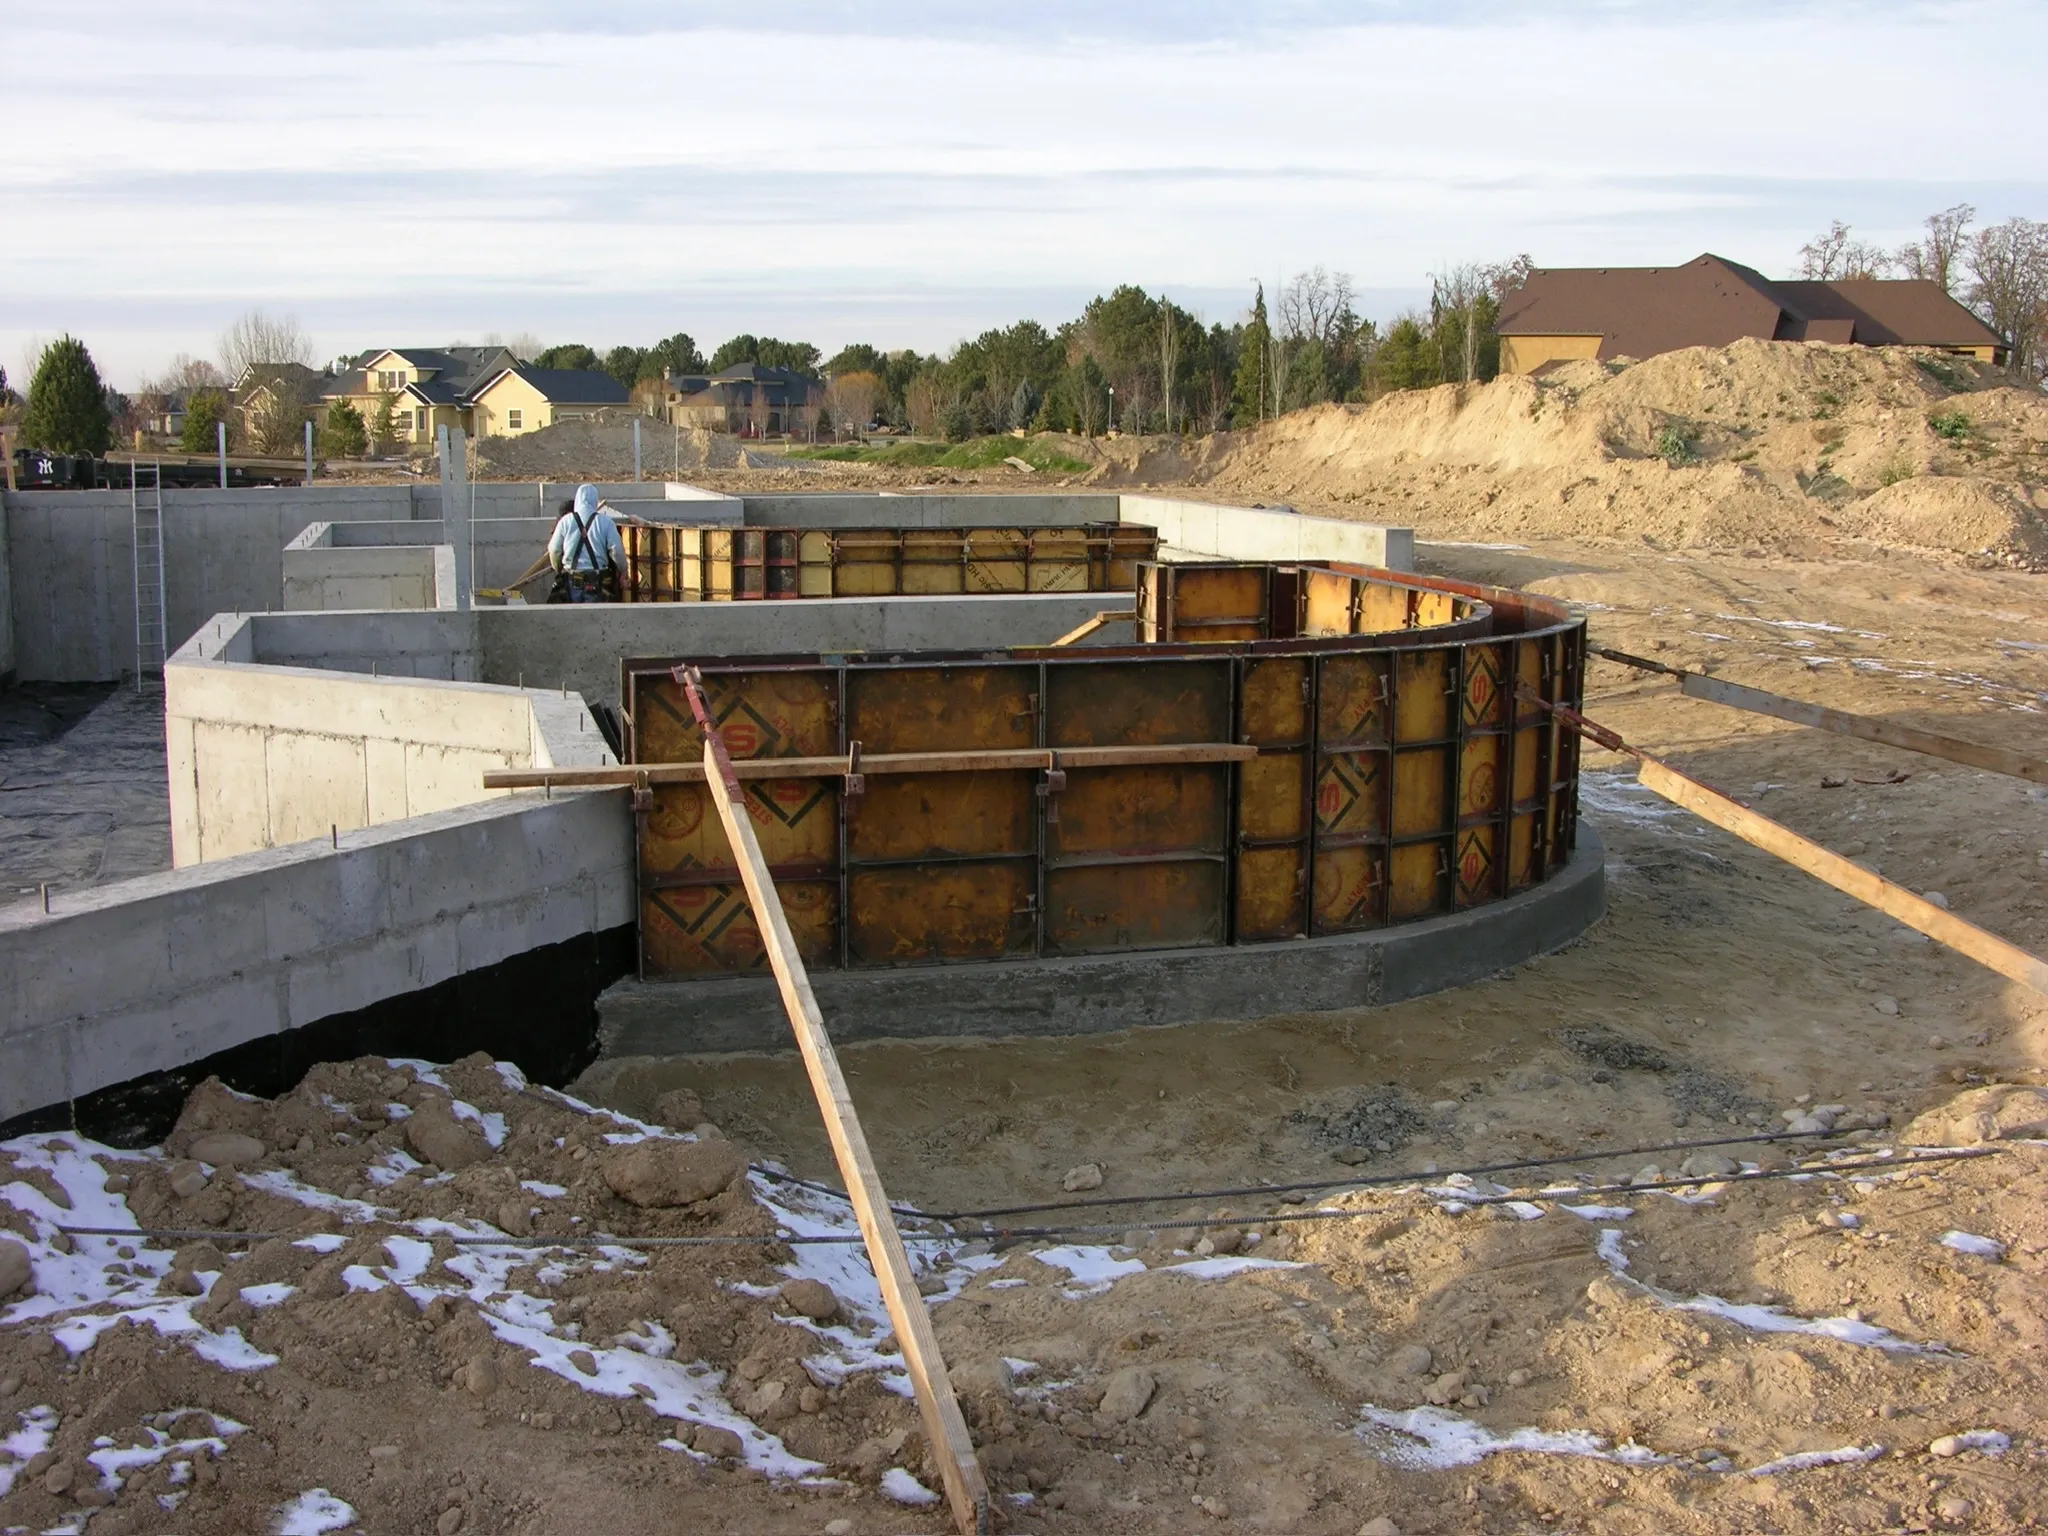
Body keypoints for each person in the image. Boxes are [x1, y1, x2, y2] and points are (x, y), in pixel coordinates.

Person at [546, 483, 625, 603]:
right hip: (597, 582)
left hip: (570, 580)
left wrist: (558, 569)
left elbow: (554, 550)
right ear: (595, 500)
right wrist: (623, 570)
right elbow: (617, 551)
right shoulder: (606, 522)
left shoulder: (565, 522)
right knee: (596, 614)